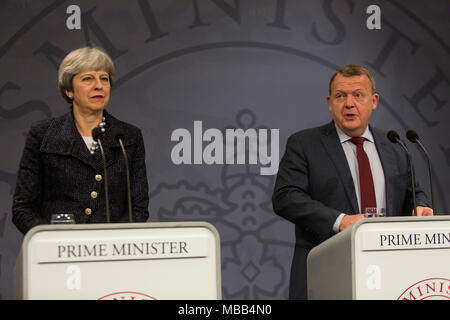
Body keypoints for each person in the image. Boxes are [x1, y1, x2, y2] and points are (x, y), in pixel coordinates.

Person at [272, 64, 433, 300]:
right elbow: (286, 197)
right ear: (329, 102)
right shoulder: (305, 144)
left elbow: (414, 192)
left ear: (374, 100)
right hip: (327, 270)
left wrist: (420, 205)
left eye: (358, 95)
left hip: (389, 271)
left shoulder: (394, 145)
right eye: (340, 96)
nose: (349, 103)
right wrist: (340, 221)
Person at [12, 47, 149, 234]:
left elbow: (138, 210)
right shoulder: (43, 135)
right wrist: (49, 241)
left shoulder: (128, 137)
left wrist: (114, 242)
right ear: (69, 90)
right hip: (58, 252)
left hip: (112, 252)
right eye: (88, 78)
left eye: (104, 78)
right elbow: (23, 209)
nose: (98, 85)